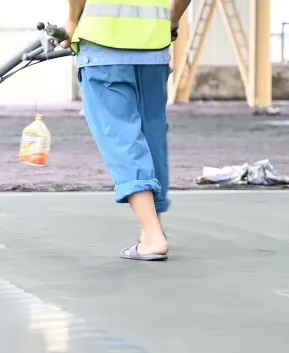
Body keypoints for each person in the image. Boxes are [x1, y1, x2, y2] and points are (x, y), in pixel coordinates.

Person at [61, 0, 192, 261]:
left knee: (120, 135)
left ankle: (153, 236)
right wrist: (173, 19)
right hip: (153, 45)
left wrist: (72, 21)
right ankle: (153, 228)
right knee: (152, 135)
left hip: (103, 45)